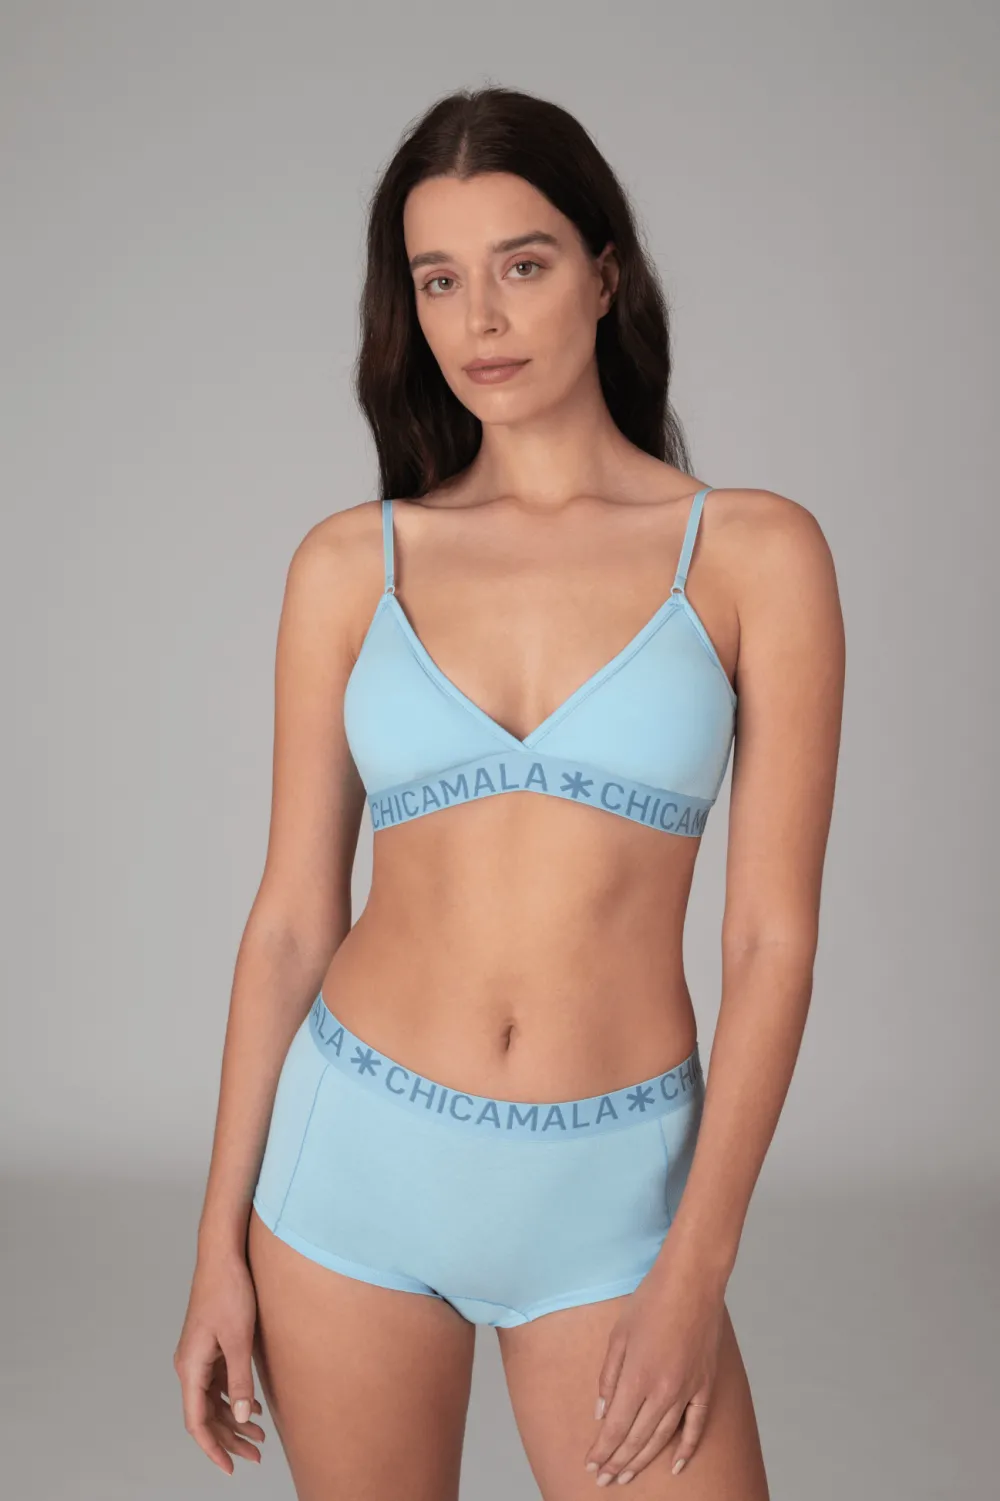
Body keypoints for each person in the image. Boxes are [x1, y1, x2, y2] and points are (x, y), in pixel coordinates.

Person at [173, 84, 844, 1500]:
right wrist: (215, 1243)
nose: (480, 317)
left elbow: (771, 941)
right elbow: (292, 921)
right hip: (351, 1168)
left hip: (619, 1195)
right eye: (439, 280)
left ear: (606, 275)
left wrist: (695, 1267)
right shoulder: (351, 565)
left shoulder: (754, 557)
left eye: (521, 265)